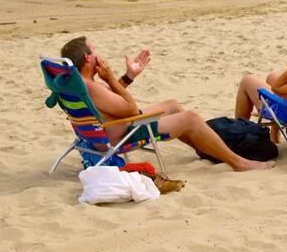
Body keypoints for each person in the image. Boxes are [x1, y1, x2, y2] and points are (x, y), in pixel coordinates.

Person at [61, 36, 274, 172]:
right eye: (95, 49)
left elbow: (111, 104)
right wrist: (110, 79)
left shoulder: (79, 85)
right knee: (191, 118)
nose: (99, 53)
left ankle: (209, 150)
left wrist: (128, 77)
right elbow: (131, 110)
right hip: (124, 132)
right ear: (88, 58)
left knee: (172, 105)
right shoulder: (93, 86)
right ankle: (238, 162)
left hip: (111, 127)